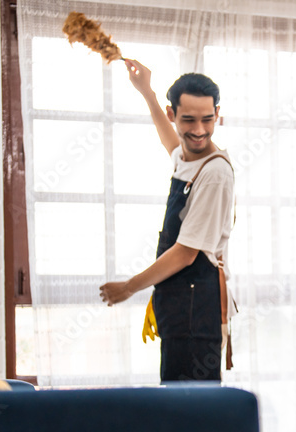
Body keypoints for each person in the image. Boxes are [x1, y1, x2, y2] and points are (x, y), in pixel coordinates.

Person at [99, 62, 234, 382]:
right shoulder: (188, 158)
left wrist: (129, 287)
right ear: (173, 114)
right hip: (180, 305)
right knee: (176, 405)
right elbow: (169, 142)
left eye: (207, 119)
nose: (199, 130)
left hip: (197, 310)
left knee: (191, 414)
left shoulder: (214, 173)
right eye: (188, 119)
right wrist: (147, 91)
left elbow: (186, 252)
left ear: (217, 113)